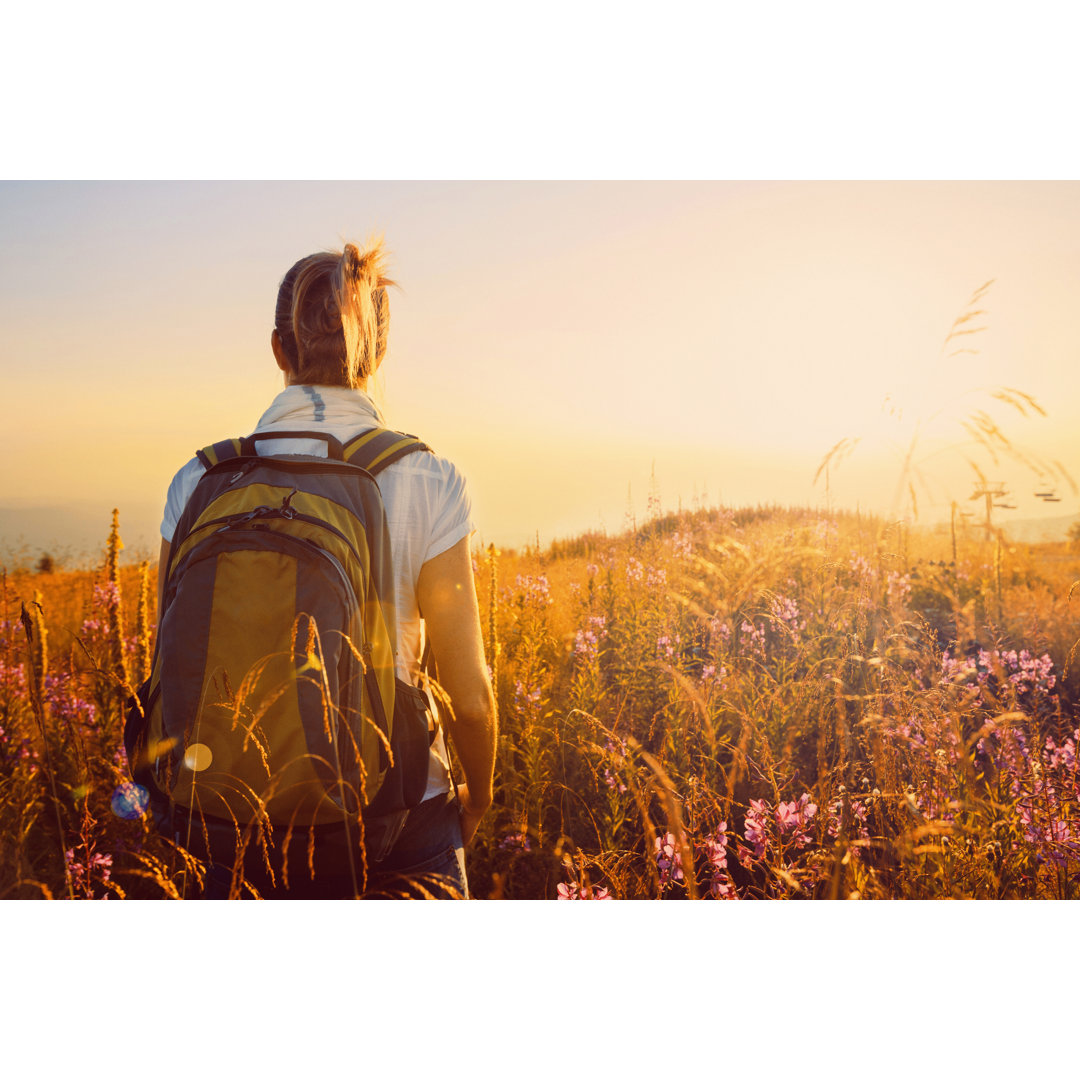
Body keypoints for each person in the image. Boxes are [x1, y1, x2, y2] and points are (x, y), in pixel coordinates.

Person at [156, 240, 497, 898]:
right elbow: (471, 696)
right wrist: (474, 798)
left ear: (278, 350)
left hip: (223, 818)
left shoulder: (196, 480)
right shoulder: (426, 478)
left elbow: (168, 660)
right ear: (378, 353)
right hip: (393, 819)